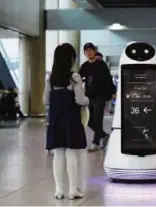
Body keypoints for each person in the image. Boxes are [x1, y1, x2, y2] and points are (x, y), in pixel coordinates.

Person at [43, 43, 89, 200]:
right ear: (70, 59)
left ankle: (59, 190)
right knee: (71, 154)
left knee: (58, 154)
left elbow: (45, 100)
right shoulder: (74, 77)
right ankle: (73, 190)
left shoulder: (51, 79)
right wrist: (88, 100)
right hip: (71, 120)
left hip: (56, 120)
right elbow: (80, 100)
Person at [79, 43, 115, 152]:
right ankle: (104, 135)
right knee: (88, 120)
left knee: (98, 119)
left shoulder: (101, 64)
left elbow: (108, 79)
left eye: (90, 50)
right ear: (84, 53)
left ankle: (95, 143)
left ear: (94, 51)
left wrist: (113, 91)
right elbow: (78, 78)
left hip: (101, 95)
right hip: (89, 96)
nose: (88, 52)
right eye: (86, 51)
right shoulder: (84, 66)